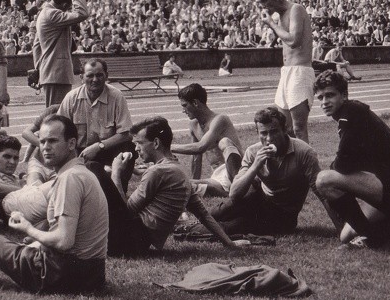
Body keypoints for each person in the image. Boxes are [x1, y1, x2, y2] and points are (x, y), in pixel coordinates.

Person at [0, 115, 109, 294]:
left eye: (52, 141)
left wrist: (28, 228)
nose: (45, 147)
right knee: (12, 245)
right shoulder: (84, 173)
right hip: (93, 276)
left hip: (56, 275)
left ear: (72, 144)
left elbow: (64, 241)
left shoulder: (69, 178)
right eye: (42, 141)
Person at [98, 118, 244, 256]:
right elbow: (203, 214)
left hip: (128, 241)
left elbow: (127, 212)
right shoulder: (178, 170)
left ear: (156, 143)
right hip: (139, 241)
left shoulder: (157, 172)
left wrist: (116, 174)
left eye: (139, 143)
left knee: (95, 168)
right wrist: (228, 243)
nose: (136, 148)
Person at [314, 71, 390, 247]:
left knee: (324, 180)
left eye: (329, 95)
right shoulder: (349, 114)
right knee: (346, 235)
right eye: (320, 98)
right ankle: (381, 232)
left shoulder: (352, 111)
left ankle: (371, 237)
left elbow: (343, 164)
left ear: (344, 95)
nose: (324, 102)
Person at [211, 107, 321, 235]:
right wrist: (256, 165)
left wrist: (342, 229)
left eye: (274, 132)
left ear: (284, 130)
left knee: (232, 227)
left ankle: (186, 231)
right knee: (215, 214)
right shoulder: (253, 151)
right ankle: (193, 226)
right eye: (263, 133)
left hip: (284, 214)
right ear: (257, 133)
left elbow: (321, 193)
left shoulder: (304, 152)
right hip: (260, 201)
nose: (269, 139)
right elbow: (234, 194)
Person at [57, 58, 135, 182]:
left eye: (99, 75)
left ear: (106, 76)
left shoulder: (116, 96)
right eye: (90, 76)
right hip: (80, 152)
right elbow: (60, 130)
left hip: (108, 148)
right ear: (82, 77)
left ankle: (119, 191)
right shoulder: (71, 97)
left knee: (129, 149)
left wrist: (99, 146)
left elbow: (126, 133)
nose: (95, 80)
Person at [256, 0, 314, 143]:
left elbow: (294, 40)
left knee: (299, 128)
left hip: (300, 70)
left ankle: (308, 166)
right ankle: (292, 164)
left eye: (264, 1)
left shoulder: (296, 9)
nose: (263, 7)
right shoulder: (278, 16)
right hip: (287, 71)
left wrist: (272, 25)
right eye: (260, 2)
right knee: (285, 127)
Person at [170, 84, 244, 197]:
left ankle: (236, 189)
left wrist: (168, 146)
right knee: (181, 184)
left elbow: (201, 147)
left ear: (195, 103)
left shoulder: (220, 119)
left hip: (236, 171)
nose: (183, 111)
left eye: (185, 105)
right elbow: (196, 158)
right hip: (217, 176)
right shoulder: (193, 124)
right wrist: (193, 182)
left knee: (224, 141)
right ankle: (225, 191)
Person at [31, 0, 89, 106]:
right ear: (64, 5)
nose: (68, 10)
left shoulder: (45, 12)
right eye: (68, 8)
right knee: (57, 116)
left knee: (57, 115)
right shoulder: (52, 14)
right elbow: (82, 13)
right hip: (56, 72)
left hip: (51, 72)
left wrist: (39, 69)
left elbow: (36, 45)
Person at [0, 135, 55, 226]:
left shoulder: (15, 177)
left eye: (16, 158)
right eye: (7, 157)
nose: (12, 162)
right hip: (13, 207)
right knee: (61, 185)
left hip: (27, 206)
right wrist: (33, 188)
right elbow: (0, 188)